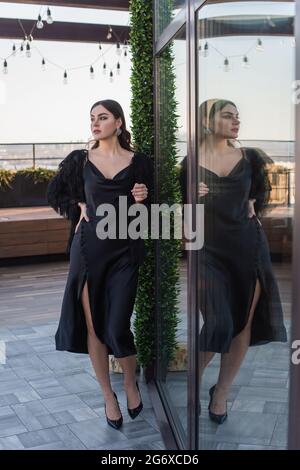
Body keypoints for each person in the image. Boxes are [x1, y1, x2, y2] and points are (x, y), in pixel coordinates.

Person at [47, 99, 154, 429]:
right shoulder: (79, 161)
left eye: (103, 117)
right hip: (88, 251)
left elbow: (157, 210)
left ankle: (130, 382)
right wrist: (78, 205)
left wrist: (143, 199)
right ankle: (108, 396)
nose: (95, 123)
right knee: (94, 326)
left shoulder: (140, 163)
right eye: (92, 118)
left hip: (125, 250)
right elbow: (54, 194)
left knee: (117, 325)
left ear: (118, 123)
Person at [179, 99, 287, 424]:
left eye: (237, 117)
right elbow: (183, 223)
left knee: (241, 324)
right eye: (228, 116)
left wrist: (253, 201)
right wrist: (190, 199)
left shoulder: (249, 157)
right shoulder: (191, 162)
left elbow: (259, 192)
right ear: (207, 120)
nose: (236, 121)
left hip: (247, 248)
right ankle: (193, 384)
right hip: (207, 251)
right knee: (218, 323)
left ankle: (221, 393)